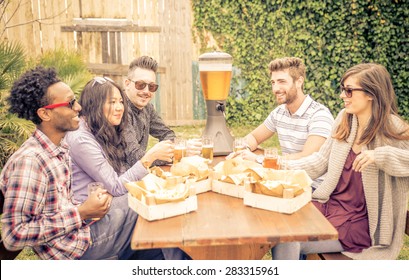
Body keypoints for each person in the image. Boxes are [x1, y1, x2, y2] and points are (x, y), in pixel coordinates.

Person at [0, 67, 163, 260]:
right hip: (75, 250)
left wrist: (86, 204)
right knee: (155, 208)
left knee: (154, 220)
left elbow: (58, 205)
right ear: (45, 114)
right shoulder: (30, 161)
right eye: (70, 103)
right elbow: (14, 236)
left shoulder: (59, 149)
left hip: (83, 231)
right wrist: (81, 212)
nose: (78, 107)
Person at [272, 63, 409, 260]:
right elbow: (320, 162)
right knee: (281, 221)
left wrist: (381, 156)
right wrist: (279, 166)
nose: (342, 95)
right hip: (331, 206)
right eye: (343, 89)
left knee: (288, 238)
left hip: (360, 223)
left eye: (349, 90)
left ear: (371, 94)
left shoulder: (392, 128)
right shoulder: (345, 119)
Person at [65, 76, 190, 260]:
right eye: (112, 102)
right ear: (94, 104)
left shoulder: (101, 128)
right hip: (90, 232)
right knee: (157, 202)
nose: (119, 107)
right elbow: (116, 186)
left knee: (158, 200)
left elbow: (119, 177)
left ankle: (178, 259)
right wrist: (149, 158)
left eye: (120, 102)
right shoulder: (81, 139)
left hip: (107, 214)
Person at [228, 57, 334, 189]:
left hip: (311, 187)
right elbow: (254, 137)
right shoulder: (279, 113)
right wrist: (243, 150)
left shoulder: (319, 115)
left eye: (281, 82)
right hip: (285, 178)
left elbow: (307, 157)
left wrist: (260, 159)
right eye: (273, 82)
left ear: (299, 82)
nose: (275, 88)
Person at [123, 56, 200, 168]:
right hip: (120, 180)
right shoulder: (120, 110)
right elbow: (135, 158)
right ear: (127, 84)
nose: (146, 91)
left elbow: (167, 134)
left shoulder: (147, 108)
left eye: (152, 86)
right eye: (140, 85)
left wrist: (174, 149)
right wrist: (177, 152)